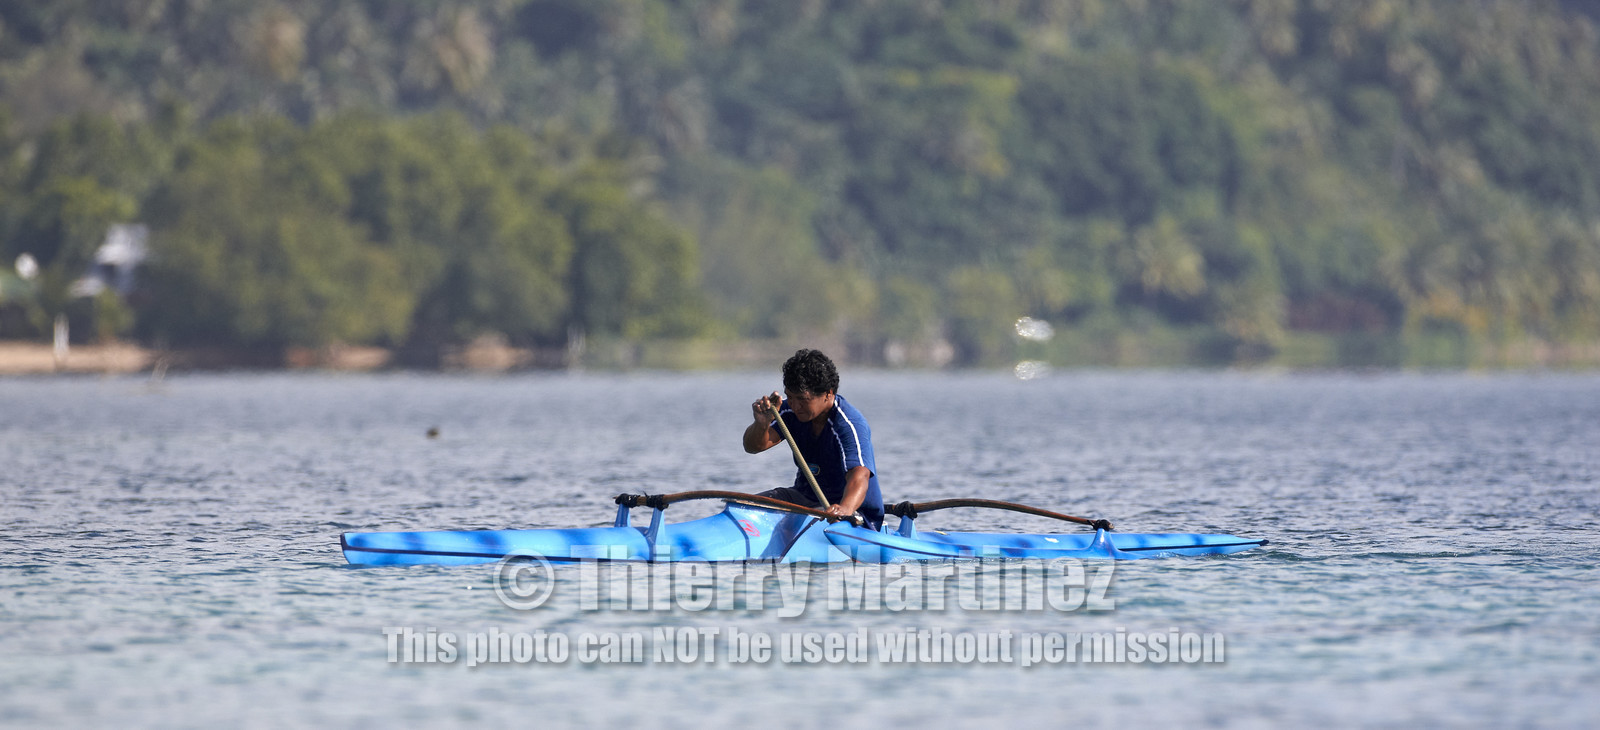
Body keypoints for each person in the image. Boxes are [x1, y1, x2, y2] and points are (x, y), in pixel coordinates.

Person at [743, 349, 884, 530]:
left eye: (802, 399)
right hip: (805, 499)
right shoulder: (788, 411)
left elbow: (859, 476)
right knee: (746, 507)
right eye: (790, 397)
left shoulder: (848, 424)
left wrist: (844, 509)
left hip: (853, 514)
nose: (794, 405)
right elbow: (753, 446)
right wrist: (761, 424)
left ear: (828, 394)